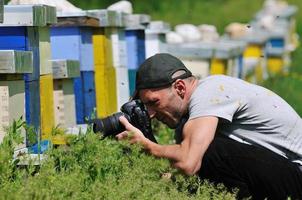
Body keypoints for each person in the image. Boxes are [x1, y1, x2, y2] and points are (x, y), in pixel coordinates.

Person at [116, 53, 302, 199]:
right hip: (282, 174)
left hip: (297, 176)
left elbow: (189, 163)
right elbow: (179, 174)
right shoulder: (190, 121)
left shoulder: (209, 91)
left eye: (154, 102)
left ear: (180, 88)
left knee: (209, 151)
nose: (151, 113)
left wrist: (147, 146)